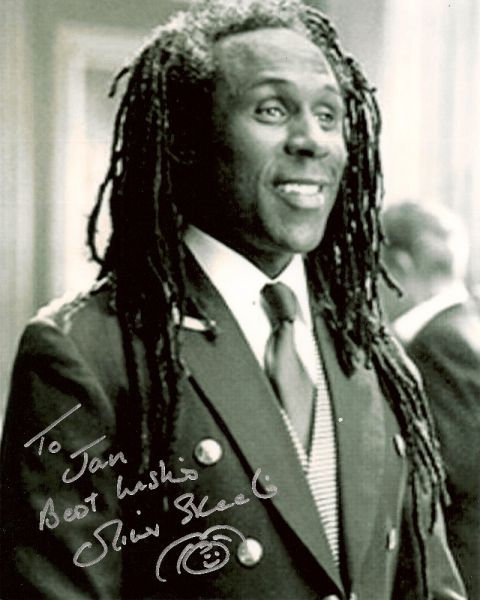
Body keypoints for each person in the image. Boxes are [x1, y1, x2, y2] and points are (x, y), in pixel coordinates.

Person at [0, 1, 466, 599]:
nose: (312, 140)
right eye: (272, 109)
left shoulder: (376, 356)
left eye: (329, 114)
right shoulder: (87, 353)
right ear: (187, 138)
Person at [382, 200, 480, 600]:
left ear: (399, 266)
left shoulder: (437, 345)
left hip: (463, 563)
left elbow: (452, 469)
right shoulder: (468, 324)